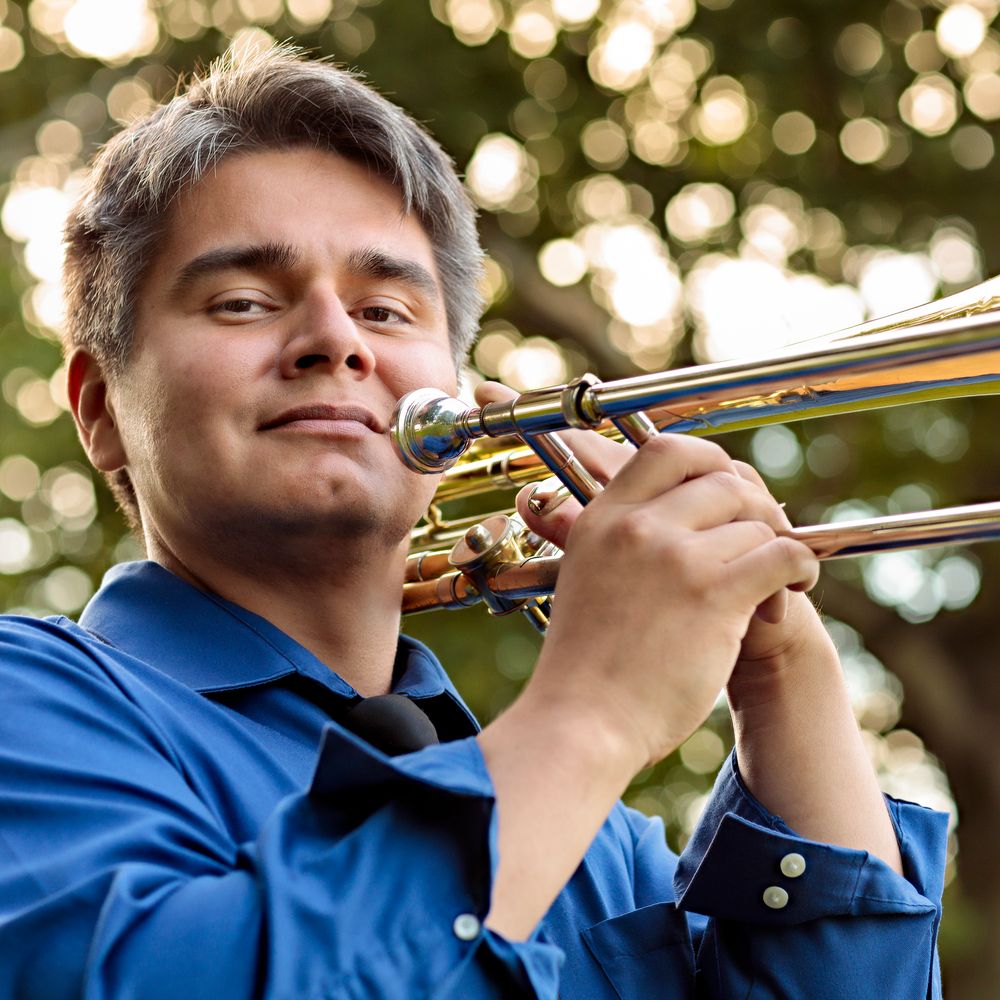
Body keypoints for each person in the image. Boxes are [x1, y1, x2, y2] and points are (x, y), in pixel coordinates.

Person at [0, 45, 946, 999]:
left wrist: (786, 668)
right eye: (243, 302)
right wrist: (597, 712)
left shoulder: (597, 837)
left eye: (385, 307)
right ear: (101, 412)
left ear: (453, 398)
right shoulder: (29, 701)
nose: (337, 339)